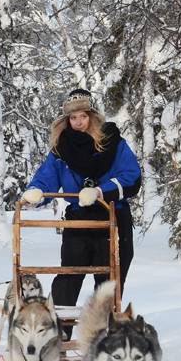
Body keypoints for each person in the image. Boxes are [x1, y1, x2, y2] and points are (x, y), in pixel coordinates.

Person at [20, 88, 141, 334]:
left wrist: (100, 191)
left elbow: (132, 177)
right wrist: (36, 192)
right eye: (73, 118)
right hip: (79, 219)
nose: (78, 123)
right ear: (66, 120)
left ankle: (104, 336)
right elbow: (47, 177)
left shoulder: (112, 143)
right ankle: (58, 334)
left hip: (112, 219)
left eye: (83, 116)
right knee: (69, 276)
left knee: (108, 282)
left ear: (92, 116)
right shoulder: (61, 149)